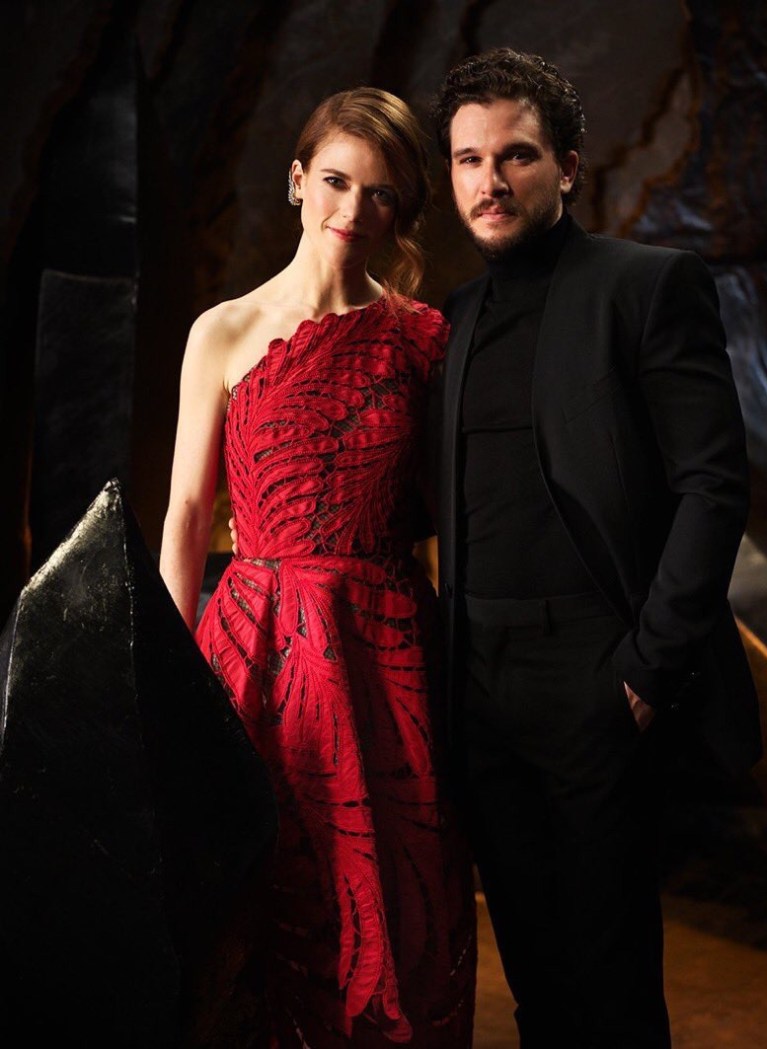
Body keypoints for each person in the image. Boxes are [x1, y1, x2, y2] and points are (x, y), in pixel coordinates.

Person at [428, 49, 762, 1048]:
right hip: (475, 683)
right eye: (469, 159)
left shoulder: (647, 284)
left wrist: (647, 666)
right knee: (535, 983)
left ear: (567, 167)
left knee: (611, 989)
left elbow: (714, 484)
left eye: (517, 155)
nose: (491, 180)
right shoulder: (450, 320)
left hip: (597, 671)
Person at [160, 87, 475, 1048]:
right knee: (253, 907)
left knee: (394, 913)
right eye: (336, 181)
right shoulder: (222, 330)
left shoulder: (423, 338)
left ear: (400, 210)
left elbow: (447, 514)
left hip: (384, 655)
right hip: (253, 645)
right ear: (298, 181)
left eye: (380, 193)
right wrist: (165, 674)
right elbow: (186, 513)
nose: (353, 208)